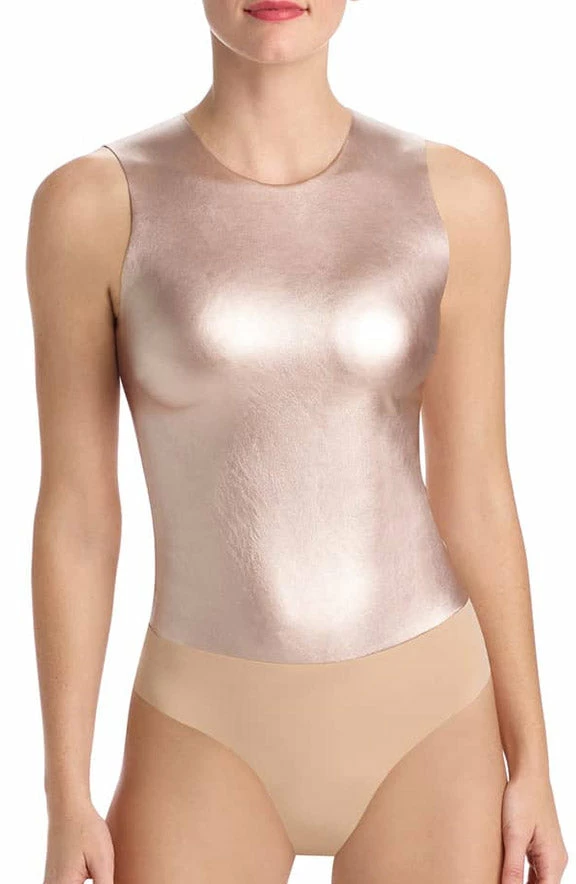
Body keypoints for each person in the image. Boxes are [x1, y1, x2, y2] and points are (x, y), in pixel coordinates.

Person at [26, 1, 568, 882]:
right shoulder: (91, 206)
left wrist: (534, 760)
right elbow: (79, 517)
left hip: (429, 722)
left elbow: (475, 489)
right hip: (200, 727)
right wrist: (64, 791)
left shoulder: (456, 199)